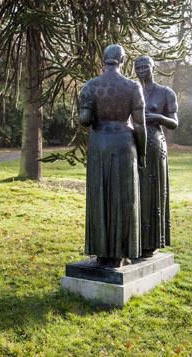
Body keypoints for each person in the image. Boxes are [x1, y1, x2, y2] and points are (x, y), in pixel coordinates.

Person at [79, 44, 146, 267]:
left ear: (104, 59)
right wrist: (142, 153)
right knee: (124, 197)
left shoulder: (90, 86)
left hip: (99, 143)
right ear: (122, 60)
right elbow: (140, 125)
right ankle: (121, 252)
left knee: (100, 195)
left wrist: (88, 109)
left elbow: (85, 120)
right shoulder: (132, 86)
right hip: (124, 143)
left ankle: (101, 251)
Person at [134, 55, 178, 258]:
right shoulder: (133, 90)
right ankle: (133, 238)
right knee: (135, 190)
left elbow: (174, 122)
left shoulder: (165, 92)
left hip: (154, 143)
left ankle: (151, 241)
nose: (142, 70)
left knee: (153, 190)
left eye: (145, 66)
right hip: (133, 143)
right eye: (138, 67)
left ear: (153, 67)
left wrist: (158, 117)